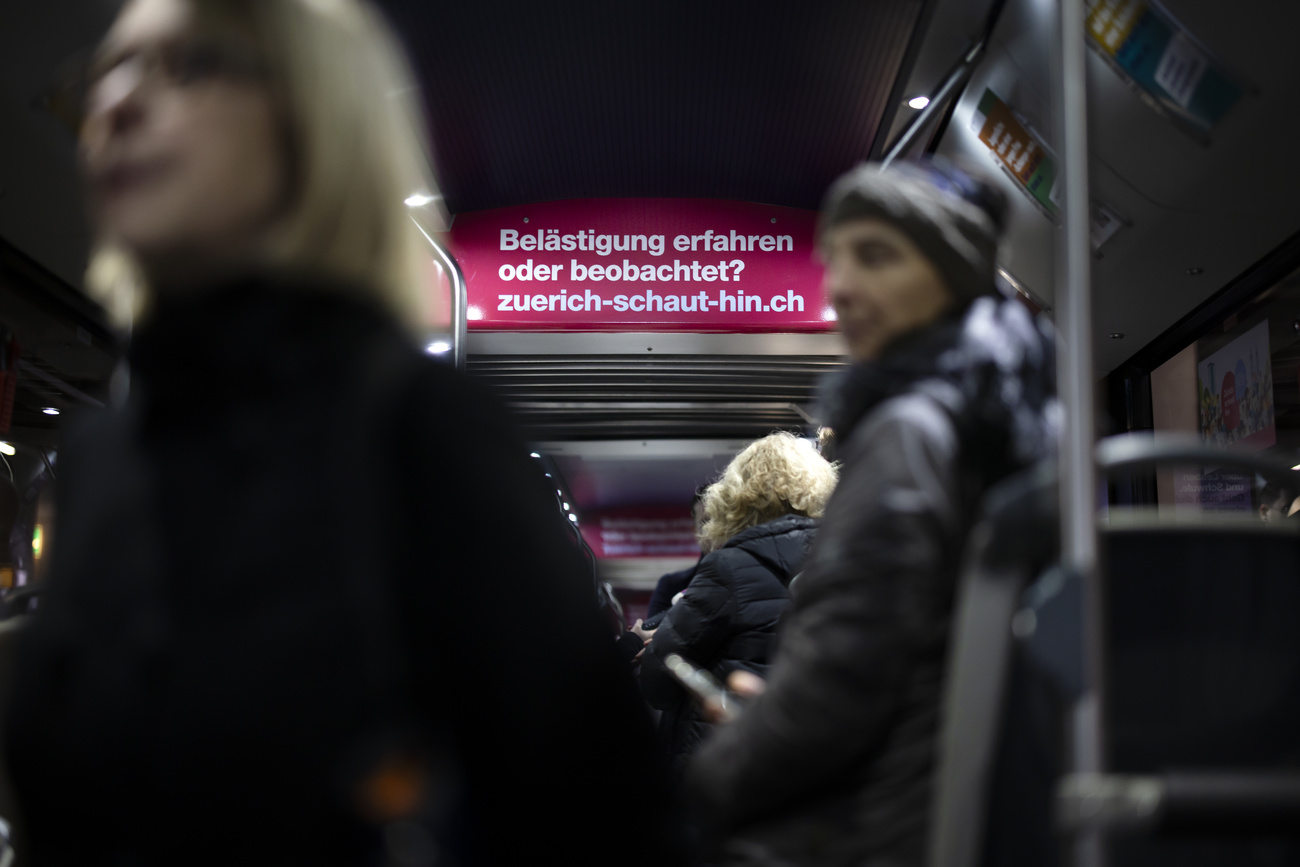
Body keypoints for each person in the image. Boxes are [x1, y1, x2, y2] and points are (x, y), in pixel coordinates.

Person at [0, 1, 672, 865]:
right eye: (103, 75)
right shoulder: (98, 462)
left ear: (317, 117)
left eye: (190, 65)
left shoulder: (421, 431)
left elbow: (604, 818)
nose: (118, 104)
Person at [686, 160, 1059, 866]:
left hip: (883, 822)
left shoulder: (907, 435)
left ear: (953, 273)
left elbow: (836, 692)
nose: (844, 286)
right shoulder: (1012, 424)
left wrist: (718, 767)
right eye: (835, 260)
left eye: (877, 256)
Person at [639, 432, 836, 777]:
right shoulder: (843, 563)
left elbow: (658, 682)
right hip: (815, 763)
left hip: (730, 761)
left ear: (739, 495)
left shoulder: (729, 567)